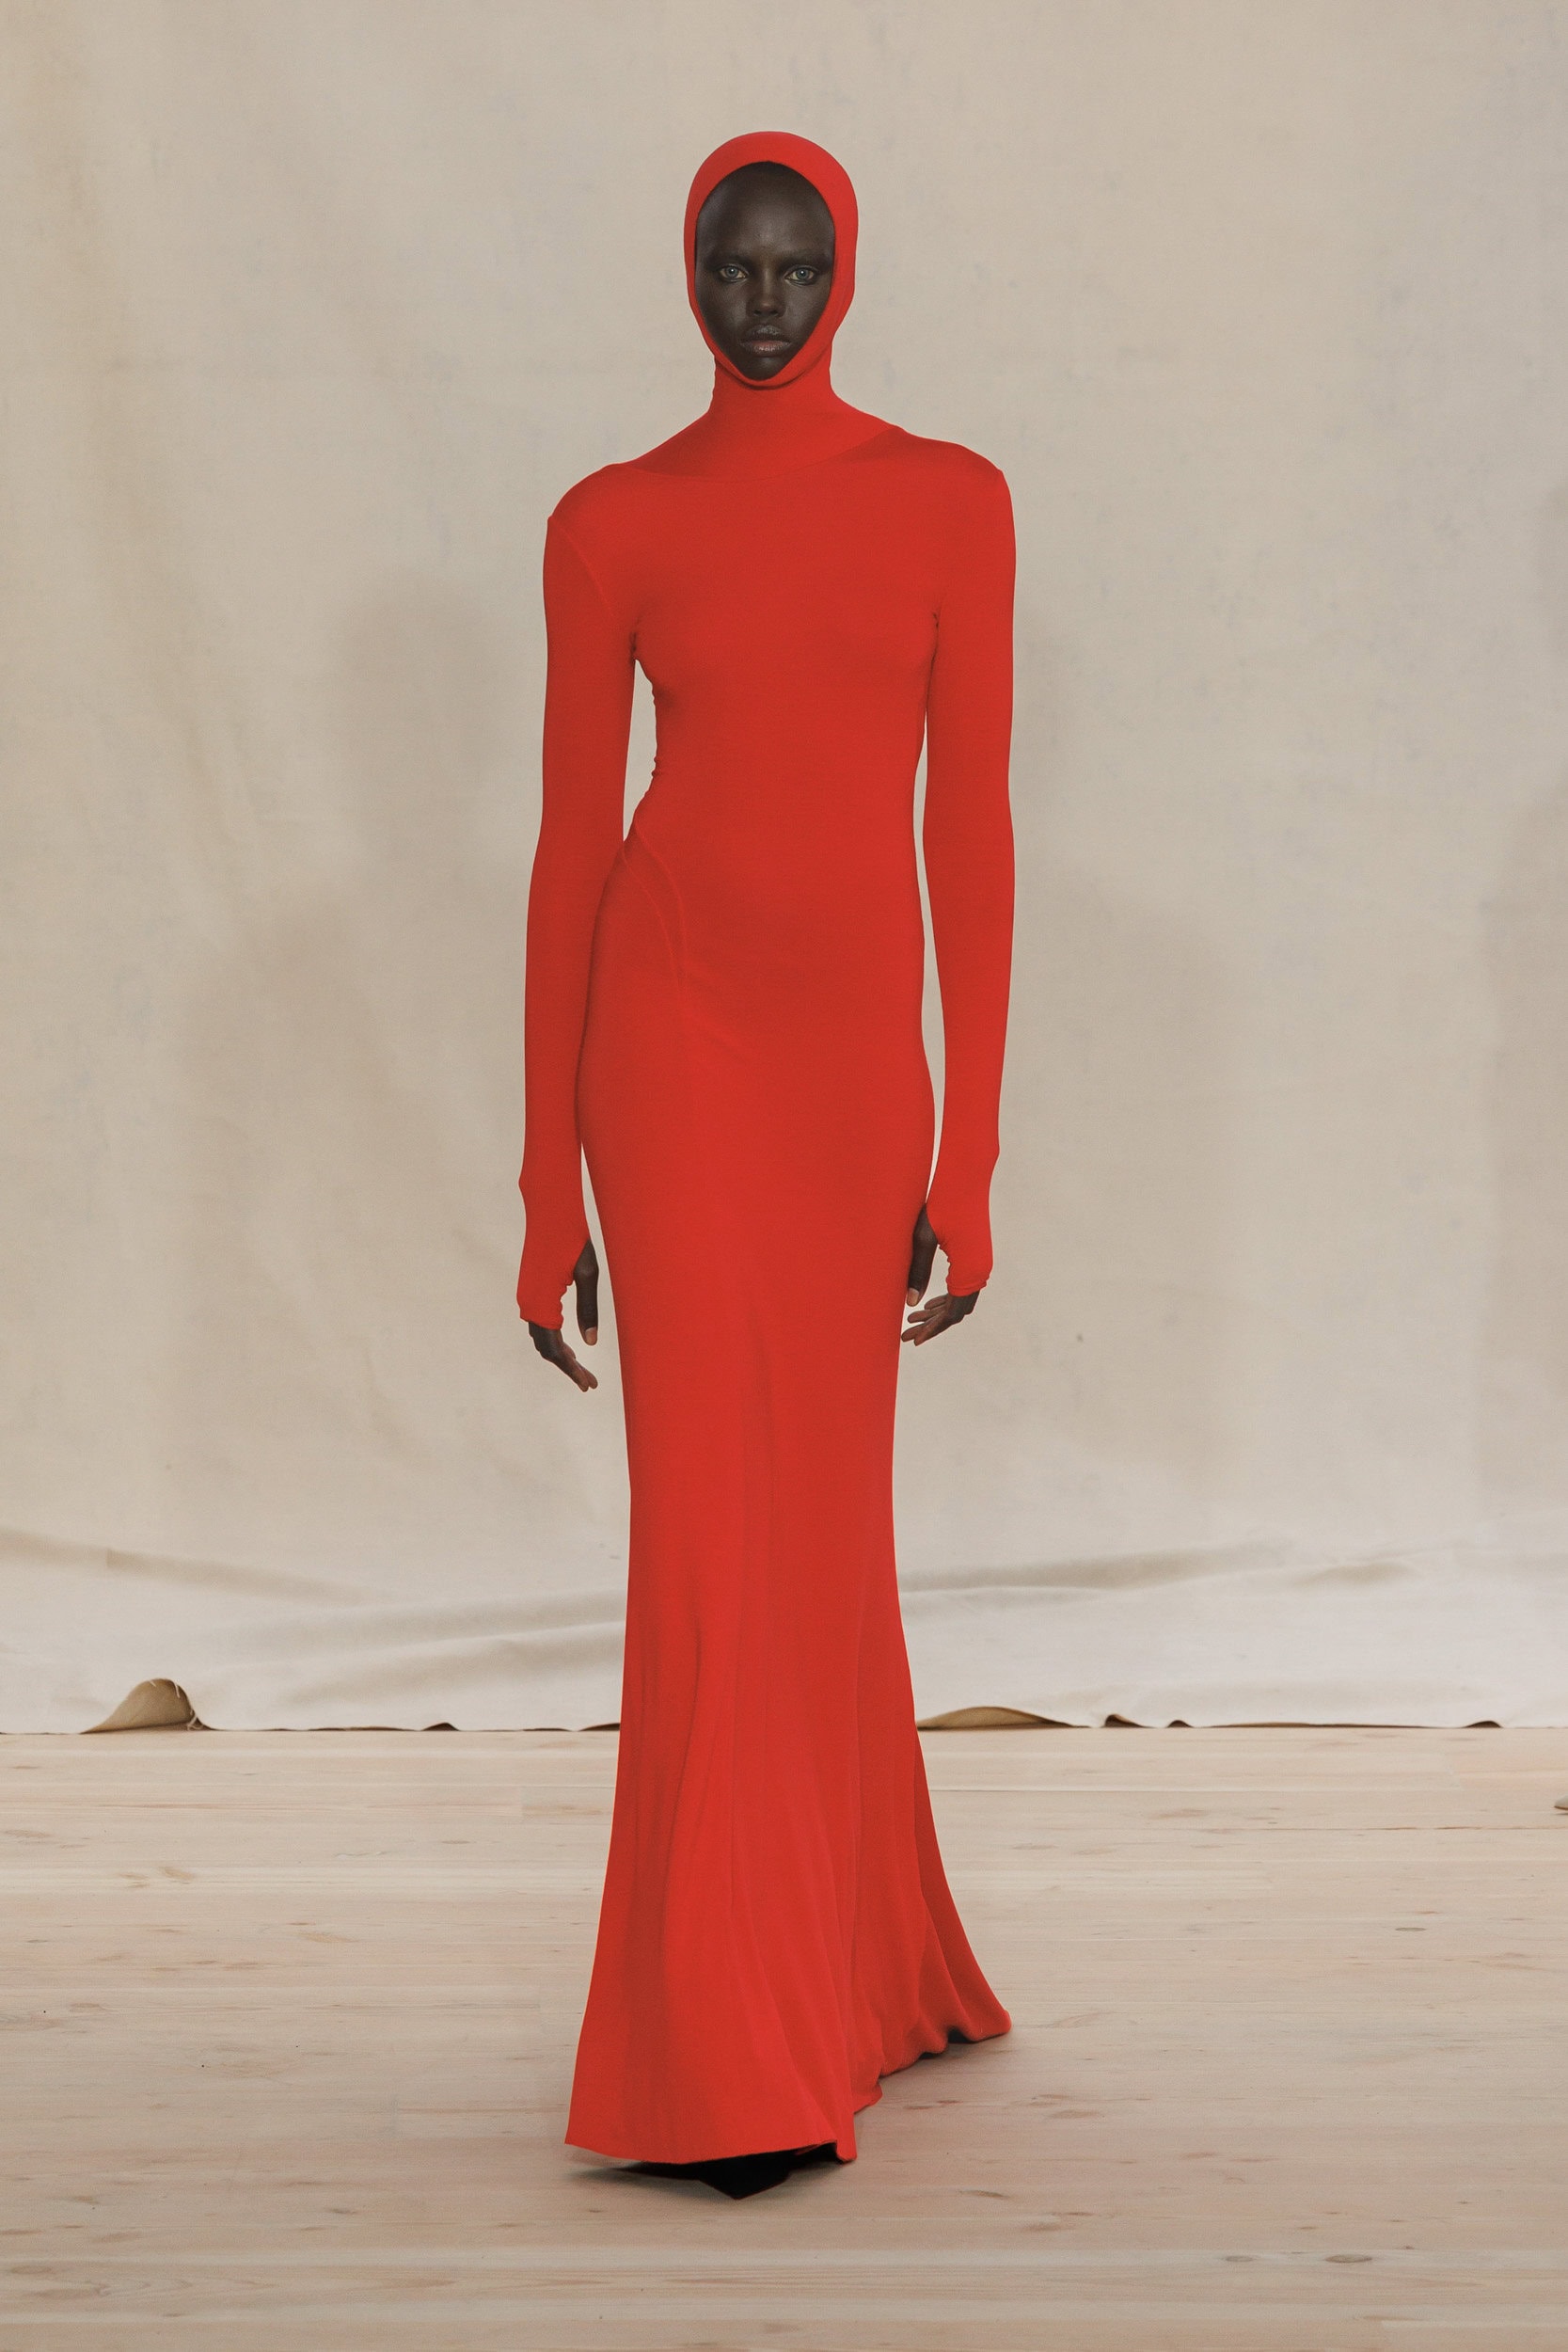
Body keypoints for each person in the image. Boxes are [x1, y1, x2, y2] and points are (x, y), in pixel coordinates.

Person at [517, 131, 1015, 2199]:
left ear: (849, 272)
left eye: (798, 264)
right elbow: (572, 846)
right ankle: (728, 2058)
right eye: (732, 262)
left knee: (822, 1525)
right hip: (675, 1044)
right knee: (712, 1536)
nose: (762, 300)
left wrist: (969, 1147)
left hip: (846, 1076)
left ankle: (866, 1960)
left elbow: (967, 831)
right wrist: (544, 1182)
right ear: (686, 270)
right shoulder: (612, 522)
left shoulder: (950, 500)